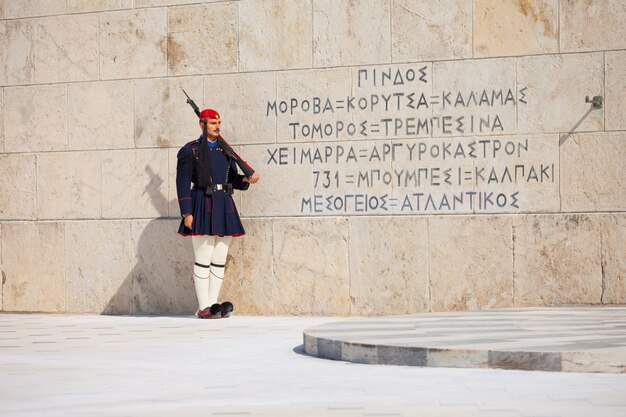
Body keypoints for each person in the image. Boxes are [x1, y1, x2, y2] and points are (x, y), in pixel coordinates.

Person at [176, 108, 259, 319]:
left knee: (219, 257)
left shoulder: (224, 150)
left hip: (224, 204)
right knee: (203, 256)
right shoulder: (190, 150)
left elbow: (231, 178)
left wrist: (245, 180)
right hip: (202, 203)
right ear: (202, 125)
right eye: (213, 123)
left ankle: (214, 305)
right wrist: (187, 212)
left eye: (218, 123)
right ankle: (204, 306)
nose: (217, 127)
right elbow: (183, 182)